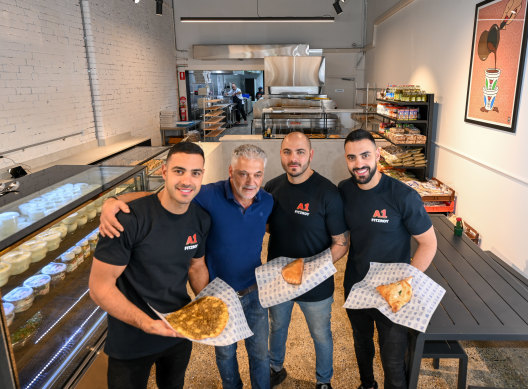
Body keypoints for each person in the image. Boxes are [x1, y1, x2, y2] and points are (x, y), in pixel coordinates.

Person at [99, 144, 273, 389]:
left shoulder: (262, 202)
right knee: (225, 354)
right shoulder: (206, 195)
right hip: (206, 301)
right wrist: (114, 201)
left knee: (259, 353)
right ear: (230, 171)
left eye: (257, 175)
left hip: (234, 303)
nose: (250, 181)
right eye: (243, 173)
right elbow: (164, 195)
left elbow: (198, 266)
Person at [88, 142, 211, 389]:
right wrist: (147, 323)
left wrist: (208, 306)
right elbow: (99, 287)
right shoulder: (127, 219)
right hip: (131, 340)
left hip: (177, 333)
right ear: (164, 173)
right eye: (179, 171)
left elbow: (196, 267)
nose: (187, 180)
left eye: (195, 173)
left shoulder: (200, 219)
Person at [338, 129, 437, 389]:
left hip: (393, 292)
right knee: (361, 344)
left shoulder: (402, 196)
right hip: (356, 284)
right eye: (351, 157)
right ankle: (367, 384)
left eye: (365, 155)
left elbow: (428, 244)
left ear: (378, 155)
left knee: (393, 361)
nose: (359, 164)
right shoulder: (344, 190)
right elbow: (342, 237)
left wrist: (404, 284)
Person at [264, 132, 348, 389]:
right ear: (280, 154)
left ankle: (324, 381)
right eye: (287, 152)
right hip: (279, 279)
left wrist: (309, 269)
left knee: (321, 335)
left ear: (310, 155)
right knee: (277, 327)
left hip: (316, 283)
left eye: (300, 152)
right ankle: (275, 368)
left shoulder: (328, 193)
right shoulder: (272, 188)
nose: (293, 158)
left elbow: (341, 243)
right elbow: (268, 226)